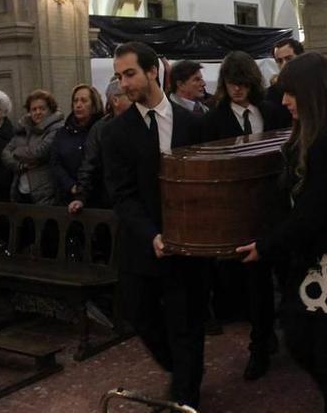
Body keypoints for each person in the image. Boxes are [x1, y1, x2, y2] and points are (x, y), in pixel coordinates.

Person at [236, 52, 327, 413]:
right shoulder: (318, 134)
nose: (284, 101)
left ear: (313, 94)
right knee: (307, 341)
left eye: (291, 93)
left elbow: (312, 214)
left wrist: (266, 246)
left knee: (320, 347)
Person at [102, 41, 207, 408]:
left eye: (129, 73)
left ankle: (185, 394)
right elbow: (122, 194)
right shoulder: (115, 133)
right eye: (118, 76)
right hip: (142, 244)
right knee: (142, 317)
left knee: (187, 322)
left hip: (188, 245)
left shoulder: (194, 124)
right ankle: (181, 370)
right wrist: (151, 234)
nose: (123, 83)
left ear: (152, 72)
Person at [200, 50, 290, 382]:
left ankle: (287, 334)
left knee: (286, 275)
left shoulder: (272, 111)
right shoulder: (212, 120)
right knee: (254, 285)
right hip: (238, 213)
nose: (237, 90)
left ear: (252, 82)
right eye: (231, 84)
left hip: (275, 207)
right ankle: (259, 343)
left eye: (242, 83)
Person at [69, 79, 133, 214]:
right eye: (128, 94)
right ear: (115, 100)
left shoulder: (143, 123)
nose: (134, 99)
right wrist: (81, 197)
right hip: (109, 200)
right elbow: (89, 164)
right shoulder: (100, 129)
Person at [2, 90, 64, 205]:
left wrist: (16, 151)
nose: (38, 112)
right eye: (33, 109)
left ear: (50, 110)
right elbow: (5, 154)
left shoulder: (56, 128)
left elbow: (38, 153)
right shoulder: (23, 129)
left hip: (45, 192)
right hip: (20, 191)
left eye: (42, 108)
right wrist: (20, 165)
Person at [50, 84, 103, 206]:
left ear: (94, 105)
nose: (78, 105)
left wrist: (83, 189)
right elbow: (55, 163)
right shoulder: (62, 133)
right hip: (66, 196)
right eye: (75, 101)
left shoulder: (102, 130)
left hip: (96, 199)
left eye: (84, 101)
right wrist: (70, 185)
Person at [266, 38, 304, 118]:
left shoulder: (314, 86)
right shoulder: (271, 94)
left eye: (289, 59)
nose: (284, 64)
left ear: (301, 57)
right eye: (279, 61)